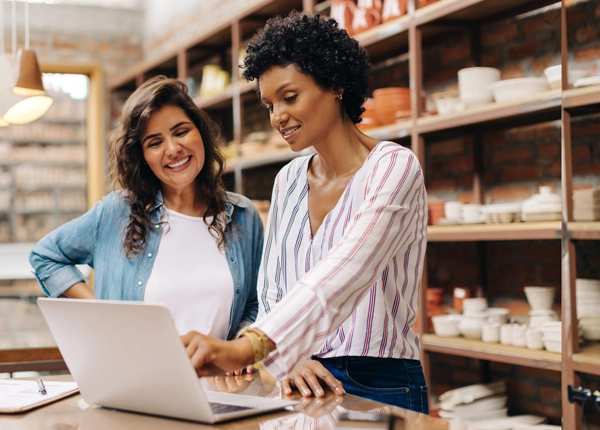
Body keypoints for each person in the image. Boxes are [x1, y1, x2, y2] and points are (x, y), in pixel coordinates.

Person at [180, 11, 428, 413]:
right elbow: (274, 287)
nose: (278, 116)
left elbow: (347, 272)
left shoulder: (393, 167)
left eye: (289, 97)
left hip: (380, 383)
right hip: (299, 377)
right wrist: (290, 359)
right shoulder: (289, 179)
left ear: (335, 85)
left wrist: (250, 347)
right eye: (268, 105)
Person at [30, 76, 264, 351]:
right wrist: (101, 310)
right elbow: (46, 256)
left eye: (181, 132)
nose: (173, 149)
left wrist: (238, 347)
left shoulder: (242, 215)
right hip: (136, 385)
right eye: (154, 142)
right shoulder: (117, 213)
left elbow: (254, 302)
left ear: (201, 133)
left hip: (220, 391)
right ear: (141, 155)